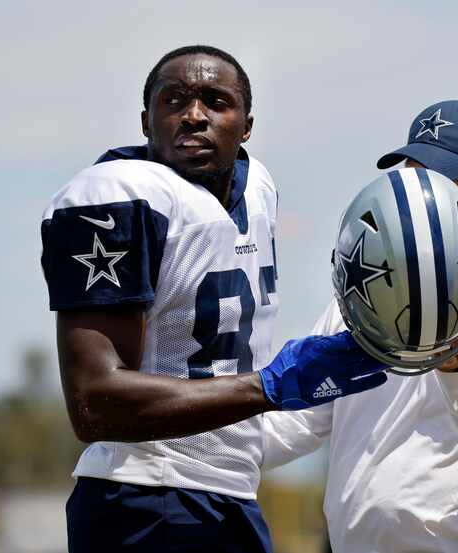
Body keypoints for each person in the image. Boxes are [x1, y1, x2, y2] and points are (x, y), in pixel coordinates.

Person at [39, 45, 387, 553]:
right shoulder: (117, 196)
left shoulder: (258, 188)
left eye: (214, 101)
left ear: (246, 125)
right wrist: (267, 388)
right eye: (173, 101)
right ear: (146, 121)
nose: (193, 116)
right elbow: (94, 404)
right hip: (145, 492)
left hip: (231, 493)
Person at [262, 98, 458, 553]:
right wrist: (174, 437)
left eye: (447, 179)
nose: (426, 192)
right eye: (414, 174)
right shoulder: (367, 291)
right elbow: (295, 424)